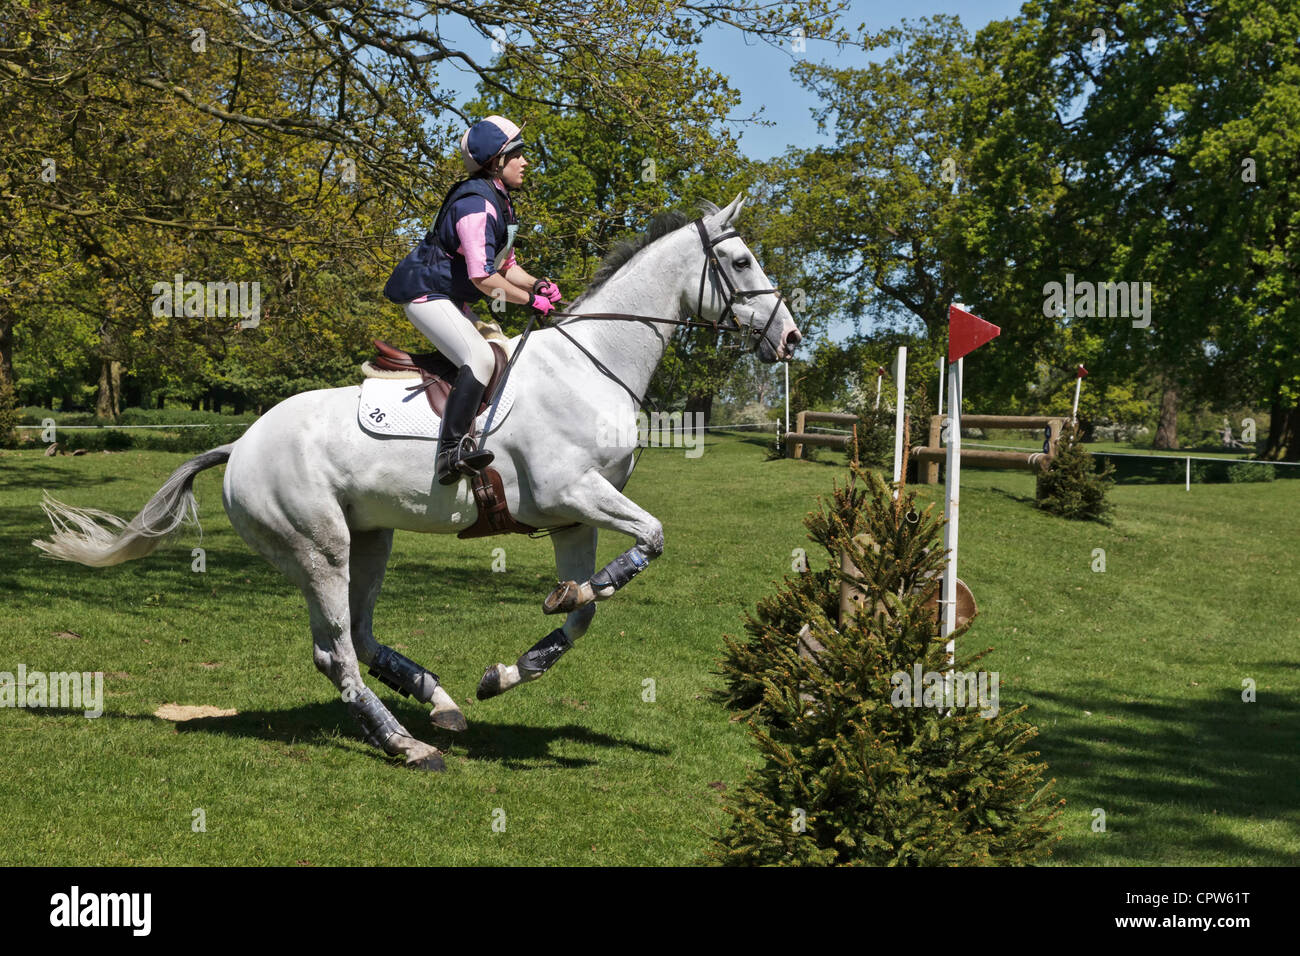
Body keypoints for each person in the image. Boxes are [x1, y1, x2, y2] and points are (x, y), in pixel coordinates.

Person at [384, 115, 562, 484]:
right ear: (497, 162)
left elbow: (506, 266)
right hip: (424, 292)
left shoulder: (501, 201)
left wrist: (538, 284)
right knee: (479, 357)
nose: (526, 162)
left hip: (448, 295)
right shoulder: (476, 206)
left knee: (496, 351)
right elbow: (483, 277)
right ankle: (449, 455)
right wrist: (528, 302)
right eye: (518, 154)